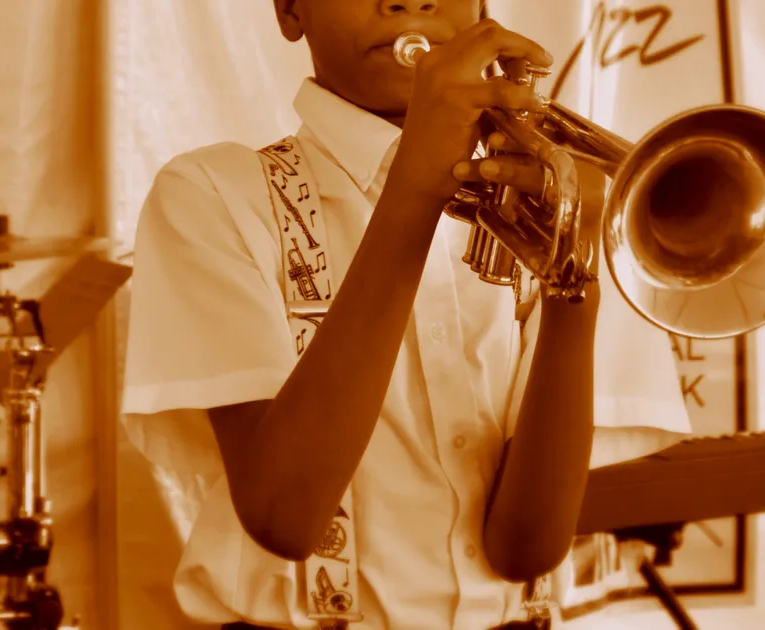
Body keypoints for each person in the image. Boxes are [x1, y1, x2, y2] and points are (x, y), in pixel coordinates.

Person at [120, 0, 691, 628]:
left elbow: (527, 550)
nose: (408, 0)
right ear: (289, 11)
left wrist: (573, 280)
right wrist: (416, 186)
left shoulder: (552, 191)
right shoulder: (214, 193)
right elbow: (285, 518)